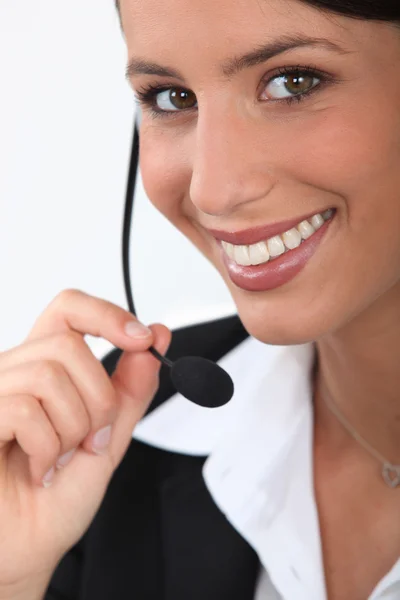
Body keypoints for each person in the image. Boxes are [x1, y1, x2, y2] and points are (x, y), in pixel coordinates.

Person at [0, 0, 399, 598]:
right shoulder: (102, 442)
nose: (213, 189)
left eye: (294, 82)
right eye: (170, 98)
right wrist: (16, 577)